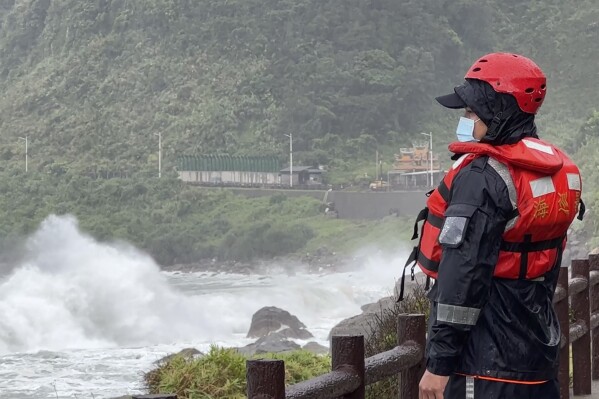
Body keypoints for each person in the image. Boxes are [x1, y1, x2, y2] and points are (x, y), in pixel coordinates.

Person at [404, 53, 584, 398]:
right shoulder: (555, 171)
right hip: (537, 355)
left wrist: (439, 365)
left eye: (471, 112)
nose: (465, 120)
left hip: (482, 364)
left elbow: (463, 276)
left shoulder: (482, 177)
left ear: (497, 109)